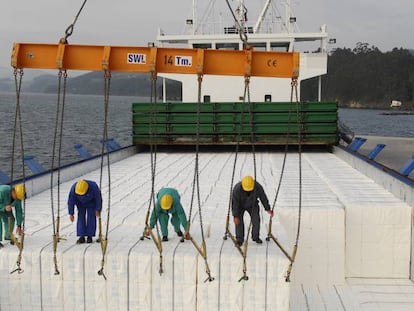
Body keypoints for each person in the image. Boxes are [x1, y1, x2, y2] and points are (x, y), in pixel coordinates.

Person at [232, 175, 273, 246]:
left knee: (256, 220)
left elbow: (263, 198)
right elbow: (234, 203)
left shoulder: (258, 187)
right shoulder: (237, 189)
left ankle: (255, 237)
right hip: (240, 206)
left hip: (253, 205)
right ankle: (239, 240)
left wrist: (268, 208)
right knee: (239, 222)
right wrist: (235, 216)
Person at [68, 179, 102, 244]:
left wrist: (98, 209)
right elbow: (71, 201)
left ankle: (90, 236)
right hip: (80, 203)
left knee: (91, 218)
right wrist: (71, 213)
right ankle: (81, 236)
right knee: (81, 217)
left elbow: (98, 198)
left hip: (91, 203)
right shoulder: (74, 189)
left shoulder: (93, 186)